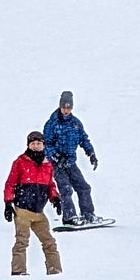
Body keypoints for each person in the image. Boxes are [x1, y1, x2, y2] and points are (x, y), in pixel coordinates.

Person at [3, 130, 63, 275]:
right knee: (22, 241)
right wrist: (8, 203)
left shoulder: (47, 164)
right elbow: (10, 184)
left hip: (38, 212)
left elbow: (50, 184)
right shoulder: (20, 162)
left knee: (49, 242)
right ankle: (18, 271)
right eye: (33, 143)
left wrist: (55, 198)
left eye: (39, 143)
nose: (36, 146)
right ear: (29, 145)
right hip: (22, 210)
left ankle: (55, 272)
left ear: (43, 145)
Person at [42, 91, 99, 227]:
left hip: (71, 163)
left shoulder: (76, 123)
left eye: (69, 108)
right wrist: (56, 156)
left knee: (84, 187)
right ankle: (69, 216)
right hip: (57, 164)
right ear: (60, 106)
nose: (66, 110)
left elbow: (83, 139)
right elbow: (46, 144)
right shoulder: (52, 123)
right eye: (64, 107)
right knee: (66, 189)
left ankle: (88, 214)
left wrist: (91, 153)